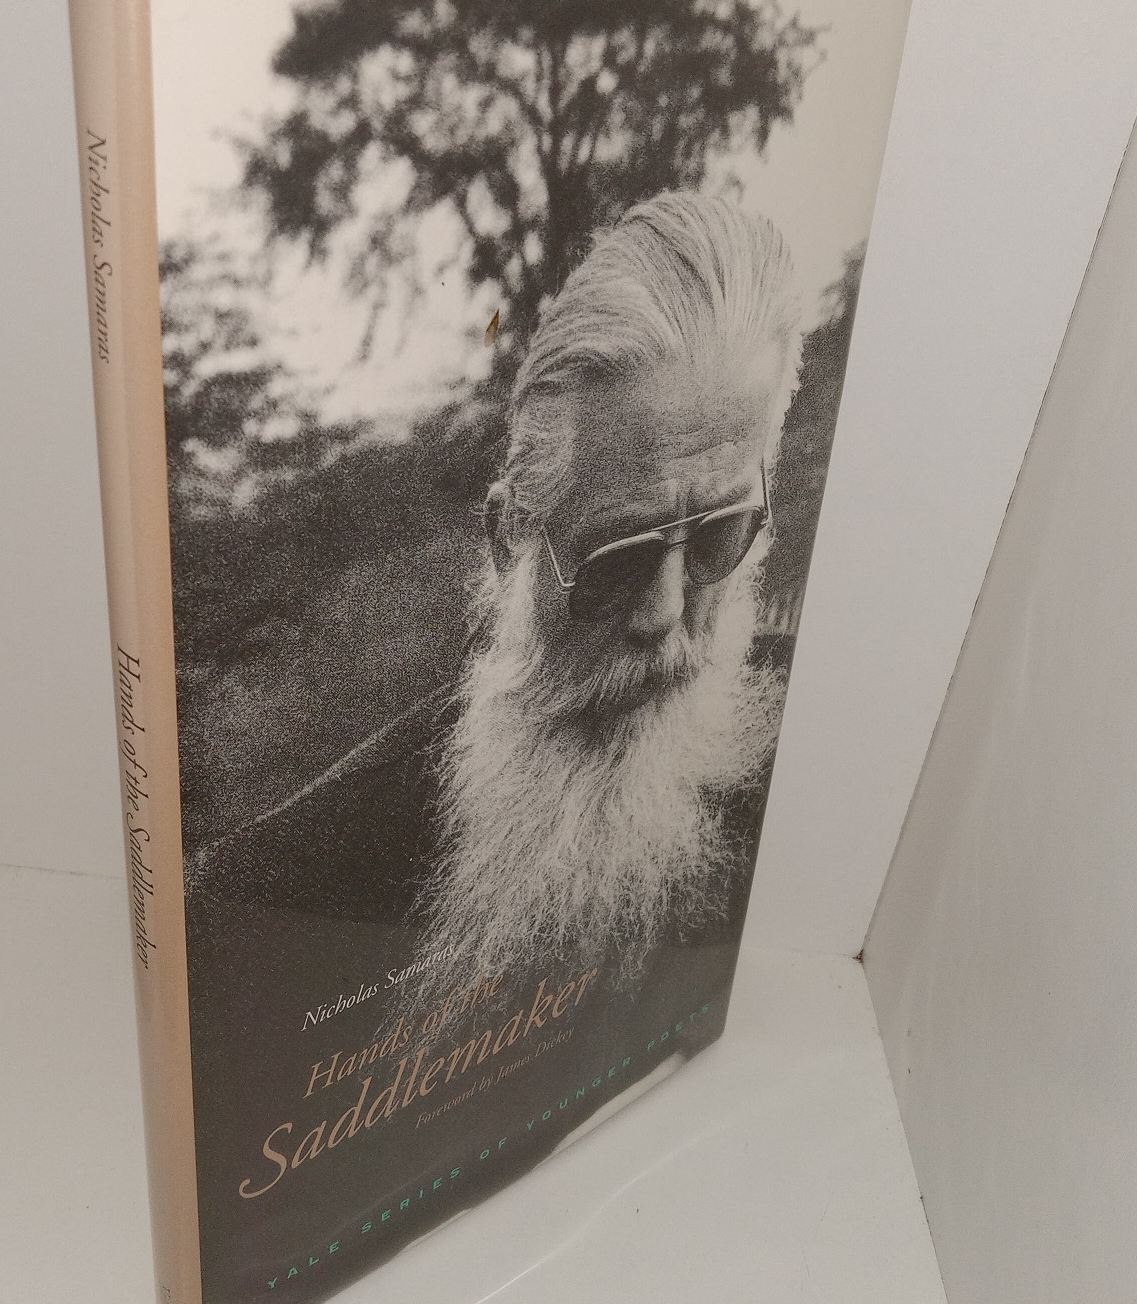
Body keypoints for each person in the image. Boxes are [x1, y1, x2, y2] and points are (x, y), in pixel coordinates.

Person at [184, 190, 803, 992]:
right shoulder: (275, 895)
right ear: (512, 538)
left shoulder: (804, 726)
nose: (665, 614)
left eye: (719, 536)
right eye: (617, 562)